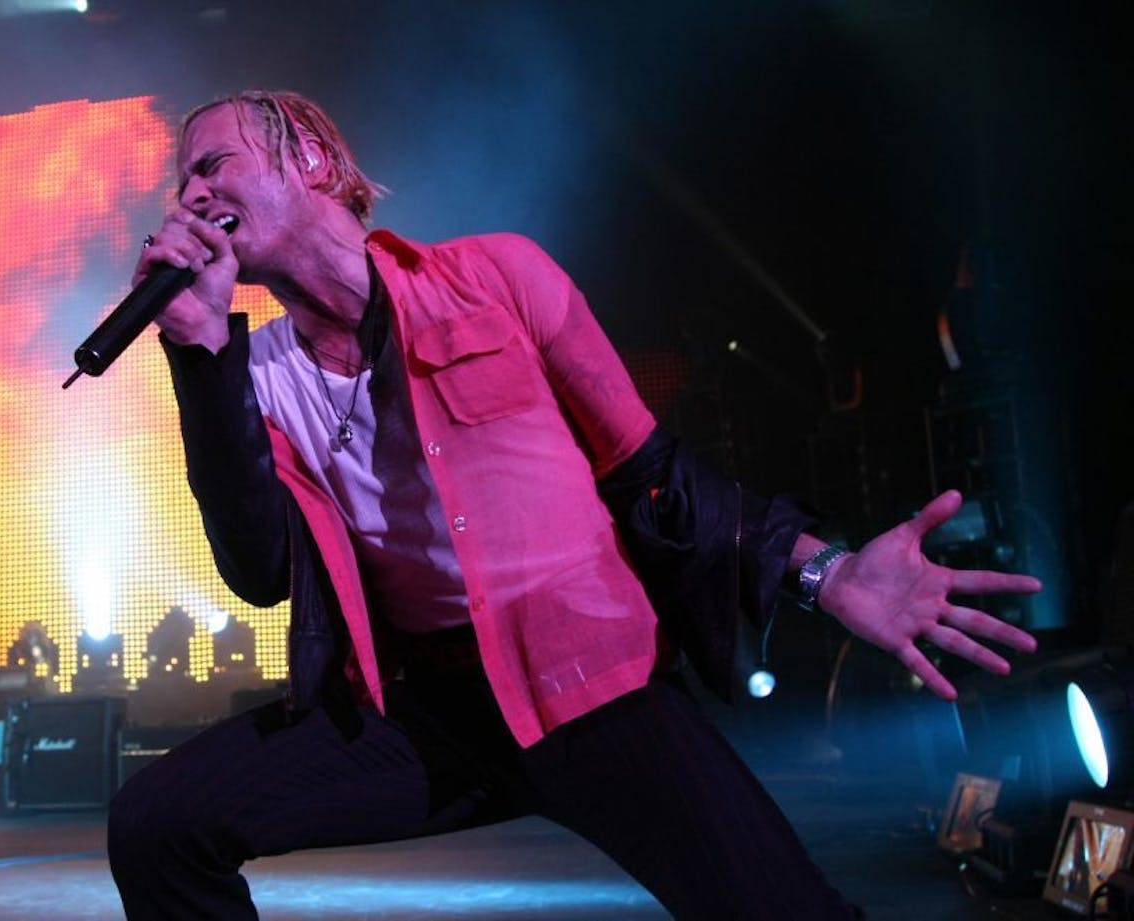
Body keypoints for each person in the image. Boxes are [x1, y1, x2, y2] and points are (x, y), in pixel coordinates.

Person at [106, 90, 1041, 920]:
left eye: (213, 163)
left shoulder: (499, 277)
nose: (189, 194)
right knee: (157, 823)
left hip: (591, 684)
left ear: (307, 158)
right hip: (426, 715)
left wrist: (826, 572)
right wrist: (200, 356)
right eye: (181, 181)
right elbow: (261, 570)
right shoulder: (253, 374)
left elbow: (654, 472)